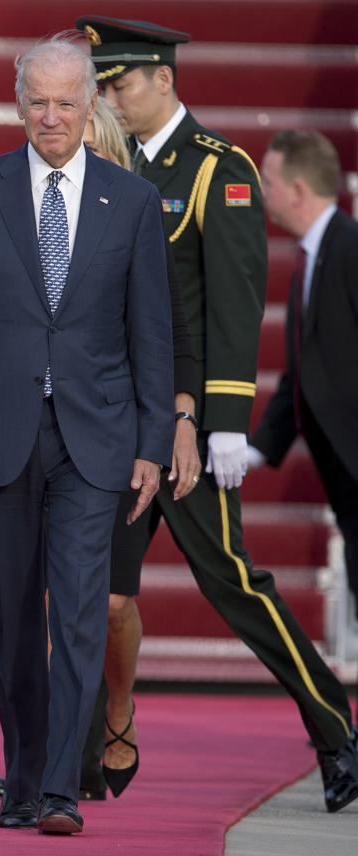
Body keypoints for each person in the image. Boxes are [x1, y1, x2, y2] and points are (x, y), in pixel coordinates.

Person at [77, 15, 358, 813]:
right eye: (102, 84)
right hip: (119, 421)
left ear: (163, 78)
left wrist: (225, 420)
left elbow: (235, 306)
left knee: (235, 585)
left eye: (119, 82)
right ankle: (80, 756)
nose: (110, 97)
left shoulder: (217, 170)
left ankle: (338, 734)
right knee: (96, 590)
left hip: (188, 427)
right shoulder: (112, 166)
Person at [0, 35, 173, 835]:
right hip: (0, 432)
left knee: (79, 609)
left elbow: (152, 336)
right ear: (17, 100)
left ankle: (65, 783)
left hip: (97, 437)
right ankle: (23, 775)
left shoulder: (129, 202)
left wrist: (153, 443)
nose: (53, 116)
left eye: (68, 102)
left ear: (91, 104)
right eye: (39, 101)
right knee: (16, 616)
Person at [0, 97, 202, 803]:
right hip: (31, 430)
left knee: (102, 603)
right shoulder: (20, 205)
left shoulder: (131, 215)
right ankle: (52, 768)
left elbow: (168, 333)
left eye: (103, 154)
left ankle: (113, 715)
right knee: (38, 601)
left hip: (111, 436)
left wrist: (173, 424)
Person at [252, 131, 358, 624]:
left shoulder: (351, 250)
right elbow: (303, 372)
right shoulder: (312, 257)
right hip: (343, 471)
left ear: (296, 189)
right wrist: (257, 448)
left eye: (268, 181)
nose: (262, 192)